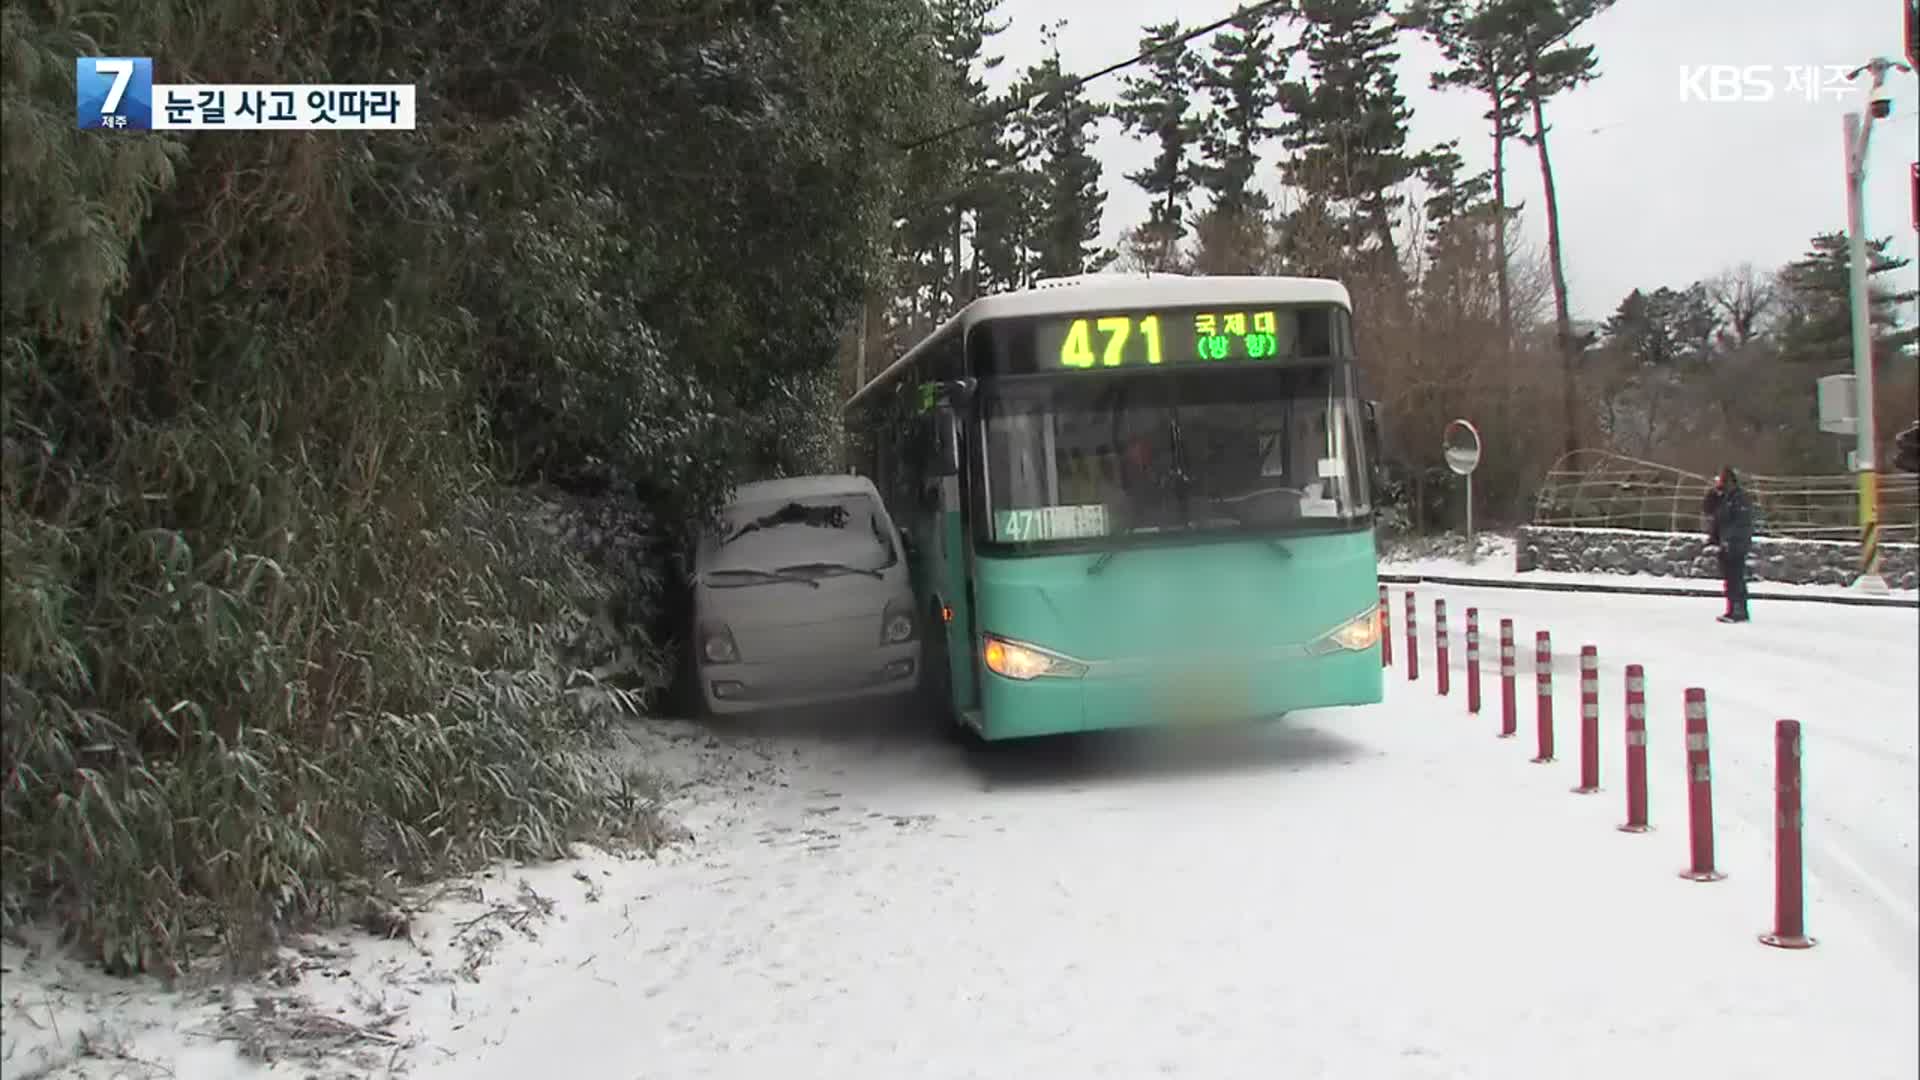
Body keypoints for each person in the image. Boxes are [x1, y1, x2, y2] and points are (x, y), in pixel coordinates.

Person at [1702, 466, 1755, 623]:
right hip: (1726, 543)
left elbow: (1741, 523)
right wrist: (1713, 492)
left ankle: (1738, 610)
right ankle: (1734, 609)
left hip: (1736, 544)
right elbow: (1708, 509)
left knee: (1735, 578)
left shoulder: (1739, 498)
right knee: (1730, 578)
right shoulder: (1723, 498)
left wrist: (1730, 540)